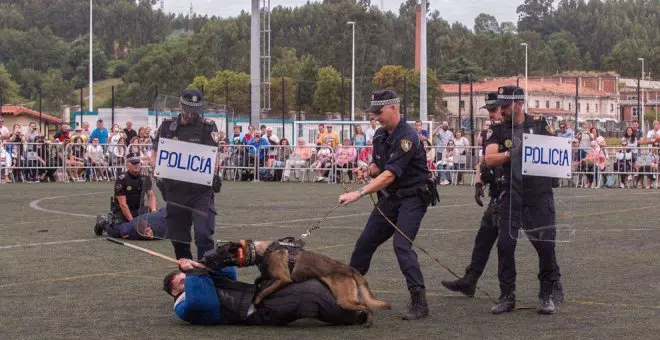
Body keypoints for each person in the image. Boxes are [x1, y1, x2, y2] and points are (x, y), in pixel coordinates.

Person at [338, 90, 438, 320]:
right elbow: (379, 165)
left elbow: (390, 174)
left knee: (401, 245)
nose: (375, 117)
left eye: (379, 112)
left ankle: (419, 301)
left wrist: (359, 193)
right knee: (364, 243)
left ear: (394, 108)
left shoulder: (408, 137)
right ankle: (349, 294)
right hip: (390, 198)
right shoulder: (380, 135)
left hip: (413, 198)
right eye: (373, 113)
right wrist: (367, 170)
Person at [484, 86, 563, 315]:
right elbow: (489, 158)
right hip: (511, 193)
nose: (501, 110)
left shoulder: (539, 124)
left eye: (505, 106)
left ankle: (546, 294)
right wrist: (512, 153)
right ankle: (507, 296)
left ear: (518, 104)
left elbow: (556, 150)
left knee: (546, 246)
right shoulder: (499, 130)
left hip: (539, 195)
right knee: (505, 246)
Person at [162, 245, 367, 326]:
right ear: (174, 291)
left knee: (308, 282)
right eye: (181, 281)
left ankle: (353, 301)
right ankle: (353, 315)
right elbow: (202, 303)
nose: (186, 281)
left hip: (257, 297)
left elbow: (230, 275)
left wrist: (204, 266)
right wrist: (193, 273)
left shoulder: (198, 280)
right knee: (308, 295)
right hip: (255, 312)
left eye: (185, 277)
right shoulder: (182, 304)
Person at [441, 92, 505, 296]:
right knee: (484, 237)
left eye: (494, 110)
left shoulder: (517, 131)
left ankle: (552, 283)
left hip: (522, 194)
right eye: (489, 111)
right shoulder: (490, 132)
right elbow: (483, 159)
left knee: (537, 242)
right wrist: (478, 182)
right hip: (498, 194)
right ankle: (470, 280)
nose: (492, 115)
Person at [150, 89, 220, 260]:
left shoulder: (208, 127)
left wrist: (213, 170)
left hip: (200, 192)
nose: (190, 113)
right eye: (187, 108)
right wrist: (157, 169)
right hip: (174, 191)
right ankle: (187, 275)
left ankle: (206, 271)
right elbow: (154, 154)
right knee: (178, 239)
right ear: (180, 105)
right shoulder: (167, 126)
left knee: (203, 235)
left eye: (194, 109)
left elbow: (214, 158)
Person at [112, 152, 157, 225]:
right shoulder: (121, 180)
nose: (136, 165)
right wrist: (133, 222)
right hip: (125, 211)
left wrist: (154, 210)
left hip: (139, 210)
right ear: (128, 165)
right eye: (133, 163)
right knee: (121, 231)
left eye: (137, 163)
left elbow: (151, 196)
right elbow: (123, 204)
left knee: (156, 220)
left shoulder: (145, 178)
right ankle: (103, 224)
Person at [94, 207, 167, 240]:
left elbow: (164, 210)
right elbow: (123, 231)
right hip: (130, 223)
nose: (149, 234)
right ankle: (102, 223)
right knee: (116, 232)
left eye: (148, 231)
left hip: (157, 215)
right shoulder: (129, 230)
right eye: (145, 233)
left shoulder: (163, 225)